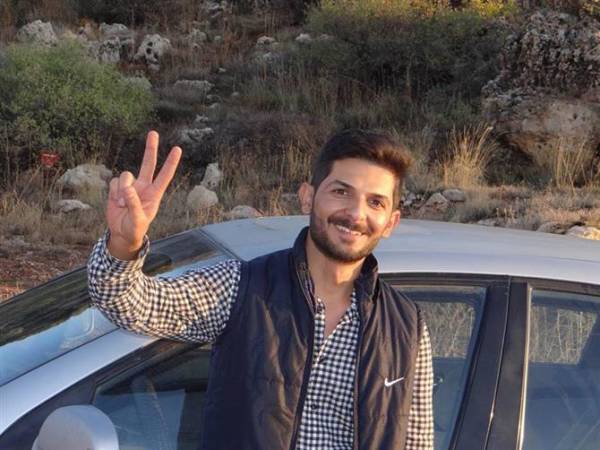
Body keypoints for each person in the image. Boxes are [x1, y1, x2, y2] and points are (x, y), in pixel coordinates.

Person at [87, 129, 434, 450]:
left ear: (391, 222)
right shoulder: (242, 288)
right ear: (308, 197)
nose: (356, 213)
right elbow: (128, 304)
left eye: (376, 202)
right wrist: (124, 244)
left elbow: (418, 443)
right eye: (341, 192)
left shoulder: (407, 327)